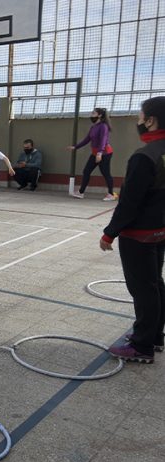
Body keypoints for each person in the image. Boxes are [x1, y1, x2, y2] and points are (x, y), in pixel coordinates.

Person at [101, 96, 165, 364]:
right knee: (155, 283)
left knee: (143, 289)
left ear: (150, 121)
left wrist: (110, 232)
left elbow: (129, 202)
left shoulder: (145, 156)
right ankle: (154, 336)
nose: (138, 121)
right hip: (160, 230)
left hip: (139, 234)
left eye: (140, 116)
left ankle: (142, 345)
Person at [68, 108, 116, 200]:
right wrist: (75, 147)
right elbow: (87, 139)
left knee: (105, 173)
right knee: (86, 171)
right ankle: (81, 192)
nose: (91, 115)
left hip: (105, 153)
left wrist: (100, 153)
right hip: (95, 153)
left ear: (99, 115)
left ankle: (111, 194)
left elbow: (103, 140)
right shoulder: (93, 127)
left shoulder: (103, 126)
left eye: (93, 113)